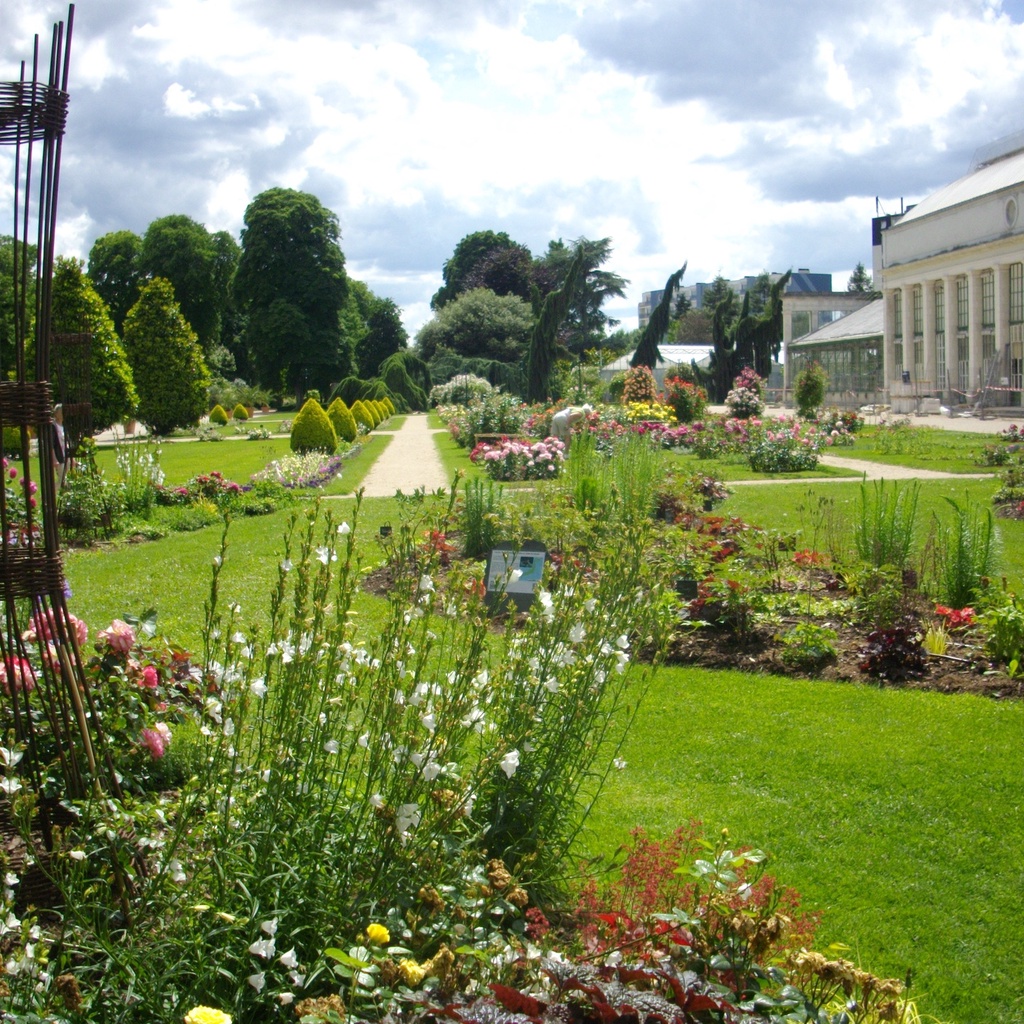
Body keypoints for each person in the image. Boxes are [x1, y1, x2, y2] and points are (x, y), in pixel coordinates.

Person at [52, 404, 67, 489]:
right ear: (55, 413)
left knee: (66, 480)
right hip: (59, 457)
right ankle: (52, 494)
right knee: (61, 480)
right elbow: (52, 445)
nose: (62, 414)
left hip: (66, 457)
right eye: (60, 412)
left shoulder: (63, 426)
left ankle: (64, 497)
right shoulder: (53, 427)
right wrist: (54, 459)